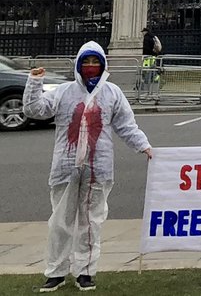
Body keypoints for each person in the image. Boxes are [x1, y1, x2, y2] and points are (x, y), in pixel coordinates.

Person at [23, 41, 153, 292]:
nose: (91, 66)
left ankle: (85, 271)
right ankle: (56, 272)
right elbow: (35, 110)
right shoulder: (64, 92)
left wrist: (144, 146)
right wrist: (34, 83)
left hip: (98, 168)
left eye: (95, 62)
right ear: (78, 64)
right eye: (87, 61)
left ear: (103, 65)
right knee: (60, 222)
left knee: (91, 222)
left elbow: (126, 125)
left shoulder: (112, 93)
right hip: (65, 167)